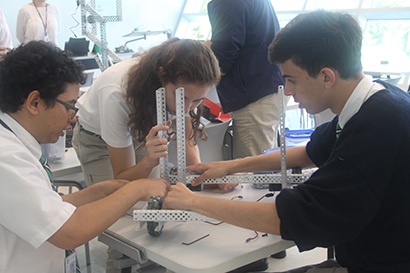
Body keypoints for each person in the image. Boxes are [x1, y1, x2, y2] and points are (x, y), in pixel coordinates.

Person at [164, 10, 410, 273]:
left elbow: (300, 216)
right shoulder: (378, 98)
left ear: (327, 77)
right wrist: (230, 166)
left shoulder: (376, 127)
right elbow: (308, 153)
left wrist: (192, 202)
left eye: (291, 80)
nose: (288, 92)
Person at [0, 40, 169, 272]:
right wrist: (137, 188)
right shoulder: (6, 158)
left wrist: (92, 194)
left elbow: (37, 207)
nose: (73, 116)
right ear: (35, 102)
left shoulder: (16, 143)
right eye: (69, 105)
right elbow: (69, 232)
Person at [72, 38, 221, 186]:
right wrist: (148, 162)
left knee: (154, 191)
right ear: (161, 76)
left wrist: (200, 176)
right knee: (114, 197)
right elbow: (123, 180)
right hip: (97, 139)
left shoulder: (188, 88)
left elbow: (187, 142)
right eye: (182, 98)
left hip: (141, 127)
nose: (186, 109)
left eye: (197, 100)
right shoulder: (117, 94)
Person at [205, 0, 285, 159]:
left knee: (253, 174)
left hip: (254, 94)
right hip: (266, 86)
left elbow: (222, 58)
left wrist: (203, 50)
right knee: (267, 165)